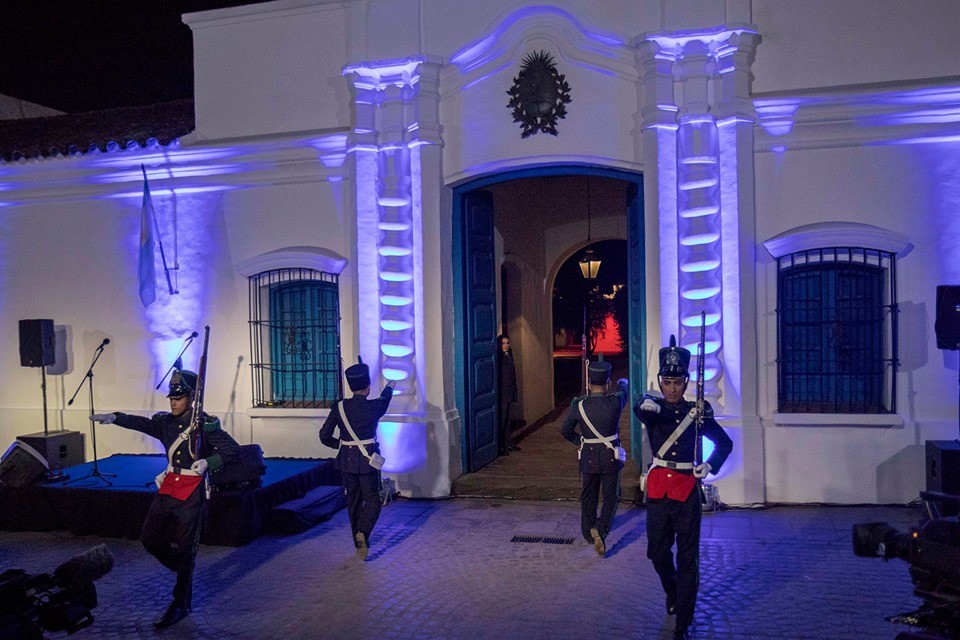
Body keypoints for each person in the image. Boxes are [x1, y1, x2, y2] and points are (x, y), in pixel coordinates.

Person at [91, 369, 240, 629]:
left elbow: (233, 451)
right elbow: (141, 423)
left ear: (191, 398)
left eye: (178, 398)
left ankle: (181, 601)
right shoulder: (165, 423)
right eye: (171, 398)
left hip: (191, 492)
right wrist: (115, 417)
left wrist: (209, 462)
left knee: (186, 548)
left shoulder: (205, 425)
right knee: (149, 538)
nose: (173, 402)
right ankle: (181, 567)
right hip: (170, 486)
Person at [633, 336, 733, 640]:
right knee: (657, 553)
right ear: (661, 382)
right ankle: (672, 589)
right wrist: (644, 401)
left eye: (677, 382)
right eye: (667, 382)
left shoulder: (698, 412)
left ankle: (683, 623)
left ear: (686, 382)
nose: (672, 388)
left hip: (687, 491)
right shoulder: (653, 409)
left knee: (688, 560)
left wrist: (710, 465)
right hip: (658, 493)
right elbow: (640, 407)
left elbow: (724, 443)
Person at [319, 356, 395, 560]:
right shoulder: (374, 407)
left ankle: (358, 541)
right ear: (368, 389)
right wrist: (390, 386)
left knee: (353, 501)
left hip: (346, 460)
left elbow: (324, 435)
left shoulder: (339, 408)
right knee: (373, 499)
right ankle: (363, 531)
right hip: (368, 460)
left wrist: (341, 445)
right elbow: (385, 398)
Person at [559, 355, 629, 557]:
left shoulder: (579, 405)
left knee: (588, 495)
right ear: (607, 385)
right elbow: (623, 390)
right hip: (610, 457)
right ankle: (600, 528)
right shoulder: (615, 402)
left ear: (589, 384)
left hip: (588, 456)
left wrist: (581, 441)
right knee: (611, 496)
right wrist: (622, 382)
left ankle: (588, 533)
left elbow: (565, 430)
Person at [496, 334, 519, 455]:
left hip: (509, 392)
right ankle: (500, 446)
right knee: (502, 420)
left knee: (508, 420)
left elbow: (512, 375)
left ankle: (507, 442)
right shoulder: (498, 357)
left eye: (507, 343)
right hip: (503, 394)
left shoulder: (509, 354)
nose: (505, 345)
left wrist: (514, 392)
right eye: (503, 343)